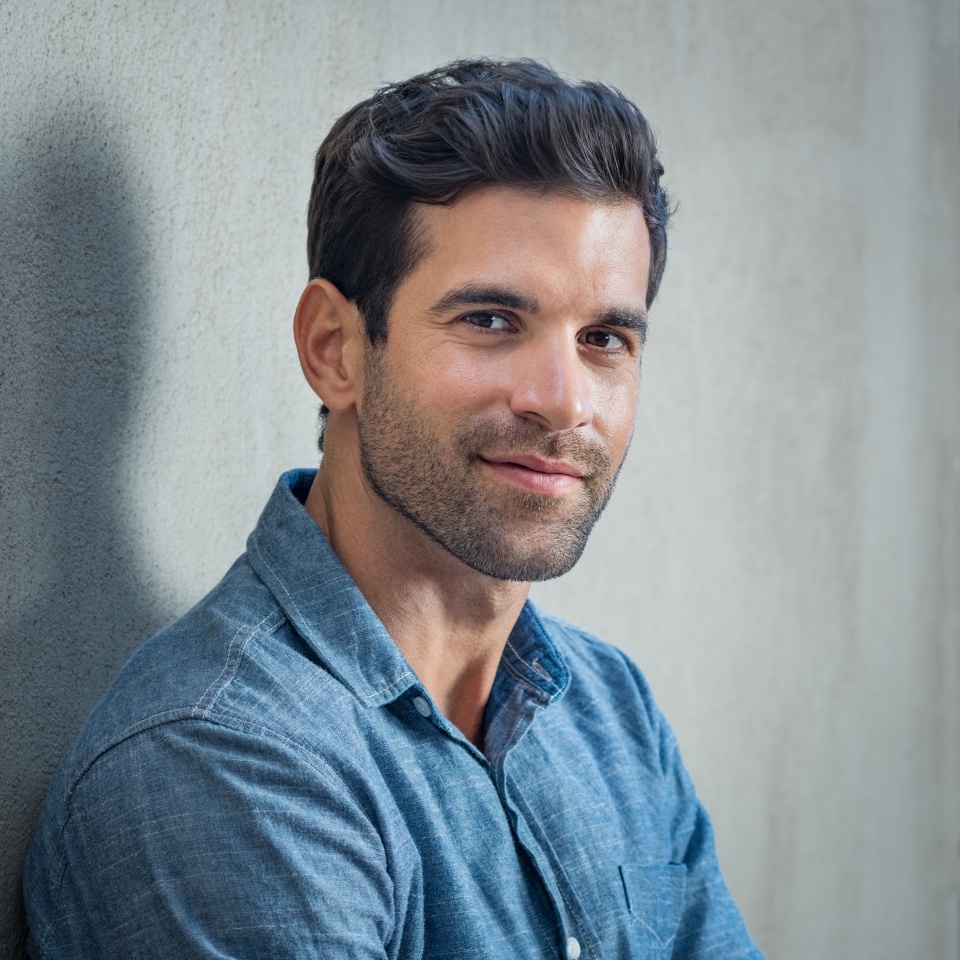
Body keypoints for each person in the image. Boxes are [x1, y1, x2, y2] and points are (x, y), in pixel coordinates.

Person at [23, 59, 764, 959]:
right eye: (490, 320)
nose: (564, 402)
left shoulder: (612, 714)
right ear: (334, 350)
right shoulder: (221, 755)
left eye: (604, 338)